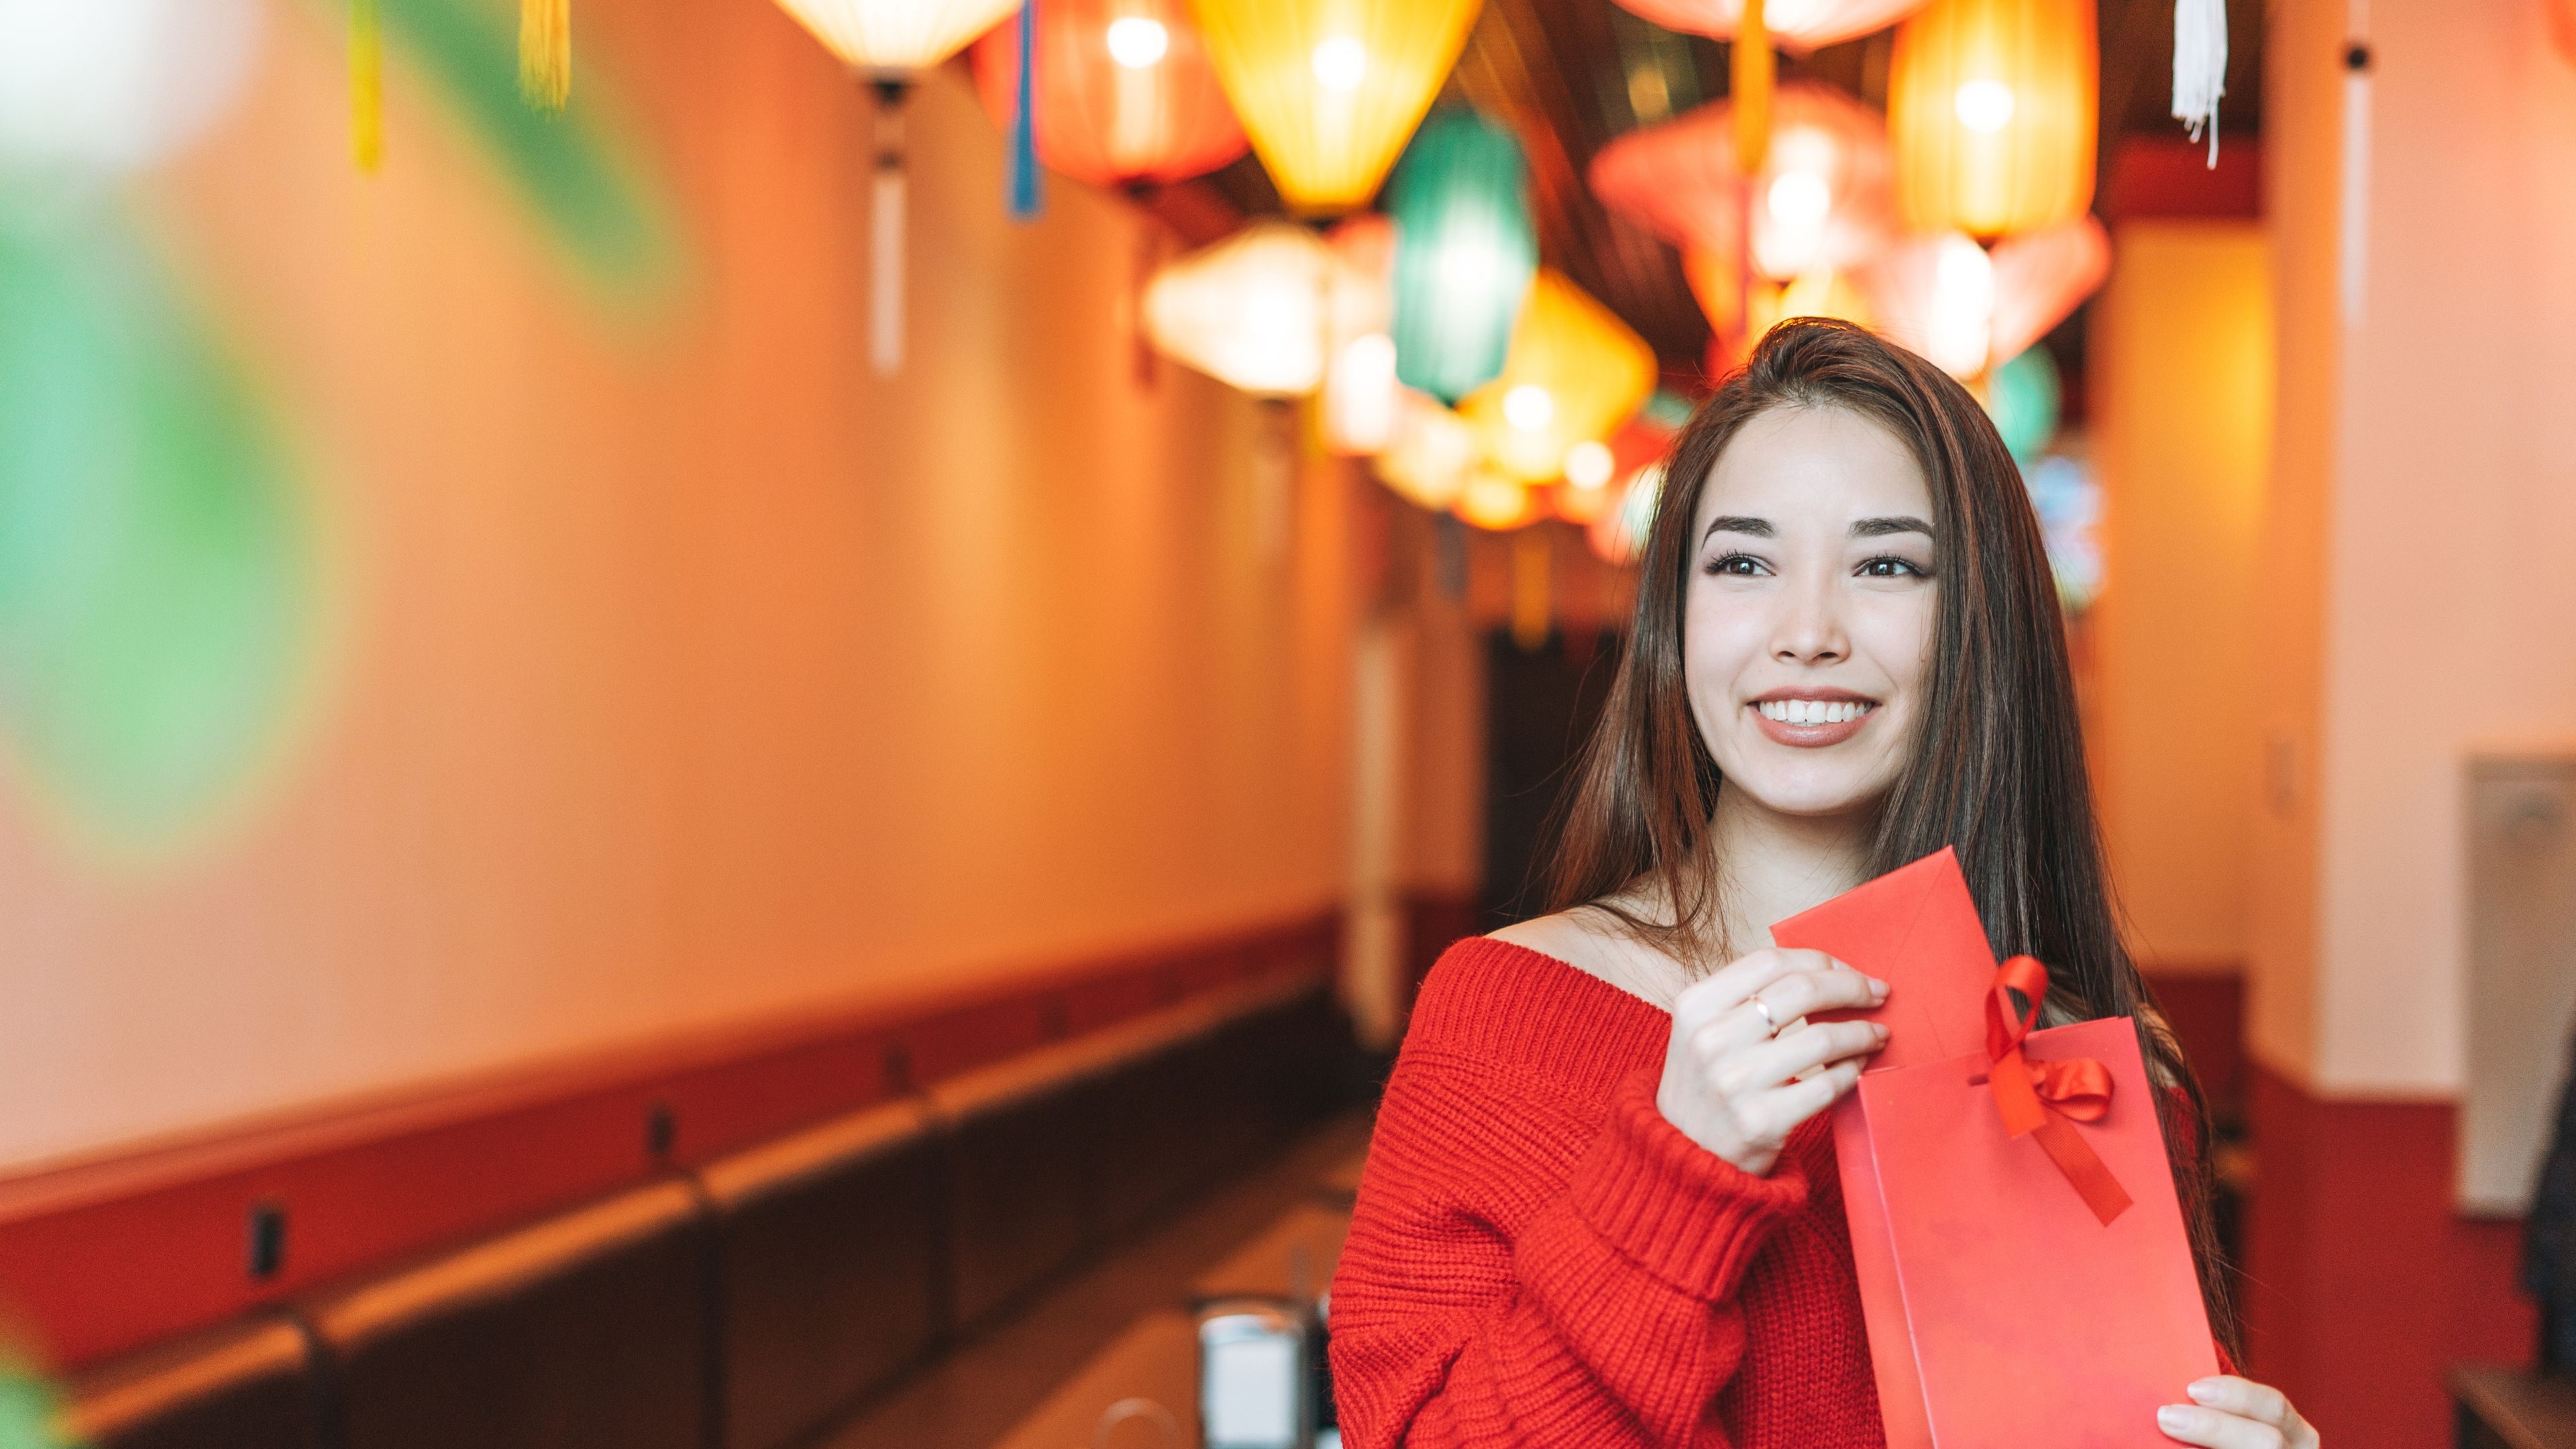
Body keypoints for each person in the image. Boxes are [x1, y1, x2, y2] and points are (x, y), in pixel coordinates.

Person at [1328, 320, 2319, 1449]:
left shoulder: (2083, 1072)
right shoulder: (1502, 1013)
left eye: (1886, 565)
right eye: (1744, 563)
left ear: (1978, 627)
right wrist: (1678, 1172)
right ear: (1676, 619)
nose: (1807, 634)